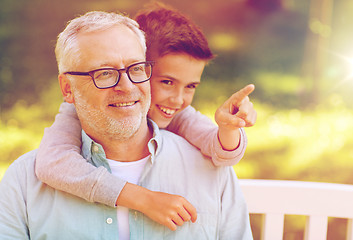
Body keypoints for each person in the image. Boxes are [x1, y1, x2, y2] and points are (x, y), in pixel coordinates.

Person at [0, 10, 253, 239]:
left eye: (136, 68)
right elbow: (51, 163)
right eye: (105, 73)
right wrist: (142, 199)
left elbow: (218, 145)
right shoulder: (25, 180)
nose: (127, 86)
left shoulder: (207, 167)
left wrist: (230, 129)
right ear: (67, 89)